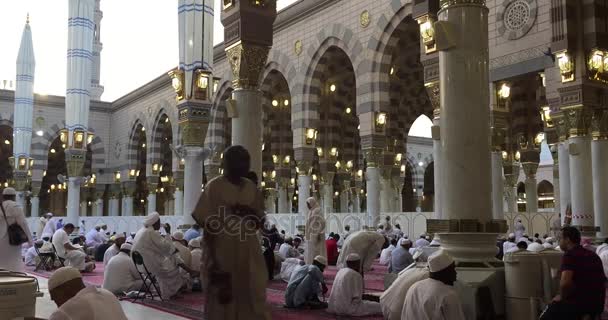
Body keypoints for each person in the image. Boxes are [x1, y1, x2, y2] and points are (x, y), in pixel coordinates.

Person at [191, 145, 270, 319]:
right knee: (222, 306)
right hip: (222, 255)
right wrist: (214, 265)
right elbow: (206, 225)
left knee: (250, 302)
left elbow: (260, 223)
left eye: (245, 162)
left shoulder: (251, 188)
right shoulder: (214, 187)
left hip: (249, 256)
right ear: (227, 163)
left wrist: (248, 212)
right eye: (239, 161)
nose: (243, 166)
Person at [542, 226, 606, 320]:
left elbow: (565, 283)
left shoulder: (570, 255)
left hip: (578, 306)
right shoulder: (593, 255)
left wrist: (561, 297)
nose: (558, 242)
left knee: (550, 310)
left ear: (567, 239)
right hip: (597, 305)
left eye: (560, 239)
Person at [131, 212, 195, 299]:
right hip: (150, 265)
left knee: (169, 261)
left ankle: (166, 291)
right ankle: (169, 294)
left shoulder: (141, 231)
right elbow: (166, 247)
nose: (160, 225)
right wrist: (168, 233)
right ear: (155, 223)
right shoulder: (151, 232)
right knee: (174, 267)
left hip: (141, 265)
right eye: (159, 222)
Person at [402, 250, 465, 320]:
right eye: (453, 269)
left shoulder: (414, 287)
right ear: (444, 272)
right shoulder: (448, 294)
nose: (455, 273)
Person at [48, 266, 128, 319]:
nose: (53, 300)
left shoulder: (67, 309)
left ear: (66, 288)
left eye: (54, 296)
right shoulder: (107, 293)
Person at [0, 187, 33, 272]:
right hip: (12, 239)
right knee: (13, 261)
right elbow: (23, 224)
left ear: (3, 197)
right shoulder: (16, 206)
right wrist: (30, 240)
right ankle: (14, 279)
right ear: (14, 197)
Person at [304, 197, 327, 265]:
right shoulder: (311, 211)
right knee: (311, 251)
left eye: (308, 204)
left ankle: (317, 265)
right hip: (311, 235)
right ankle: (310, 264)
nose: (308, 206)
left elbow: (322, 222)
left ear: (312, 203)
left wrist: (319, 233)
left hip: (317, 235)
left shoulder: (317, 210)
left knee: (316, 252)